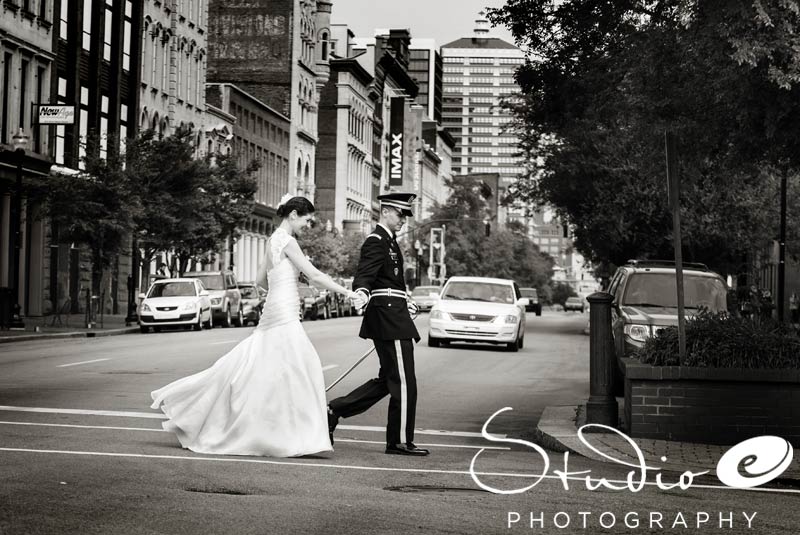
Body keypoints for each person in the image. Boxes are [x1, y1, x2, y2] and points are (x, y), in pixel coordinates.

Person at [150, 195, 357, 457]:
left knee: (266, 368)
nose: (308, 225)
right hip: (283, 311)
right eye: (306, 219)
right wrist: (347, 293)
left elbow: (260, 280)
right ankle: (291, 434)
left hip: (276, 308)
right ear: (293, 214)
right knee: (301, 368)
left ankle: (279, 431)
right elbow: (315, 275)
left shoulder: (273, 241)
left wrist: (283, 291)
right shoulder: (289, 242)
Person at [327, 192, 429, 457]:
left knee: (389, 381)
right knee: (405, 382)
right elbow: (365, 275)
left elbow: (389, 280)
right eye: (400, 214)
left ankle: (334, 410)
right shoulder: (376, 240)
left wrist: (405, 298)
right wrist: (361, 292)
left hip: (394, 313)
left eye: (406, 216)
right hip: (389, 318)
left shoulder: (390, 241)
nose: (403, 220)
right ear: (385, 212)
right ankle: (400, 441)